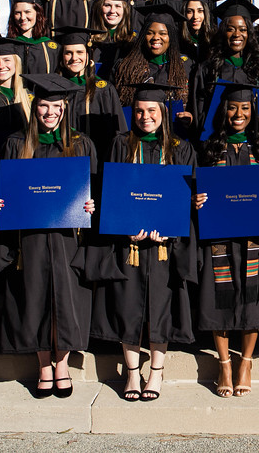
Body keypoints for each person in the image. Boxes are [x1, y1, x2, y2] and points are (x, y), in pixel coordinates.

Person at [91, 82, 200, 402]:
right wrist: (121, 227)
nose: (144, 116)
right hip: (130, 246)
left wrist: (174, 223)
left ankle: (156, 372)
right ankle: (132, 373)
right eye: (139, 110)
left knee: (161, 307)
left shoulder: (180, 146)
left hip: (166, 246)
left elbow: (187, 196)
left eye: (152, 110)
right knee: (127, 306)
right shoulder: (120, 144)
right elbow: (110, 193)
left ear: (163, 113)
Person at [0, 74, 97, 399]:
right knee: (34, 294)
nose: (49, 112)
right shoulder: (17, 143)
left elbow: (93, 190)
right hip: (30, 238)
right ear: (34, 107)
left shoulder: (80, 144)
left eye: (56, 106)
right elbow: (3, 189)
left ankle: (62, 364)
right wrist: (0, 203)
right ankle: (43, 364)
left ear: (65, 109)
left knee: (66, 296)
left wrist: (91, 203)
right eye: (43, 106)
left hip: (68, 237)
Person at [196, 82, 259, 397]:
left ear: (252, 111)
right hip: (220, 237)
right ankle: (223, 363)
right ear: (223, 110)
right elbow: (199, 189)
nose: (239, 114)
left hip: (255, 237)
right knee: (218, 296)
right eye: (233, 107)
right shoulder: (208, 147)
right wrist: (198, 201)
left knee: (252, 299)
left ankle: (245, 361)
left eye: (245, 108)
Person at [189, 0, 259, 134]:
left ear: (249, 33)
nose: (237, 34)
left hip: (253, 146)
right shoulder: (207, 68)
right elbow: (199, 113)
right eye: (230, 29)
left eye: (243, 30)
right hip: (217, 144)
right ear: (223, 32)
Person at [54, 26, 126, 159]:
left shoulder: (104, 90)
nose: (74, 58)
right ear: (62, 57)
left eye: (80, 52)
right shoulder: (53, 89)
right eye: (68, 52)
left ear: (88, 55)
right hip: (60, 158)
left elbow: (118, 132)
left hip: (98, 159)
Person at [113, 3, 191, 109]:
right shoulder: (126, 67)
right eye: (150, 33)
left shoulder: (185, 66)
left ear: (171, 37)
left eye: (163, 33)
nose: (156, 37)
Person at [6, 0, 58, 75]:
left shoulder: (51, 47)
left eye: (27, 12)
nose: (22, 17)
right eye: (18, 13)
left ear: (38, 14)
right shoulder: (8, 46)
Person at [89, 0, 138, 82]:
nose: (112, 11)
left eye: (118, 6)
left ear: (125, 10)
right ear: (99, 8)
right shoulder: (89, 40)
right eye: (107, 5)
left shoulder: (132, 41)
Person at [176, 0, 216, 64]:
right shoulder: (177, 40)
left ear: (206, 13)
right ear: (184, 13)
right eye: (190, 11)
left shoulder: (215, 39)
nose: (195, 17)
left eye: (200, 11)